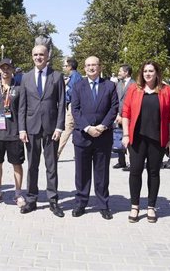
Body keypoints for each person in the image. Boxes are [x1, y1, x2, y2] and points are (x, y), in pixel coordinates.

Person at [121, 61, 170, 223]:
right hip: (137, 139)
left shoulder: (167, 91)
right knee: (135, 172)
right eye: (145, 71)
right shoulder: (134, 89)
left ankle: (151, 207)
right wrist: (125, 135)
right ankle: (135, 206)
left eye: (151, 71)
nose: (147, 74)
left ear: (157, 73)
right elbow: (126, 113)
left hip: (157, 139)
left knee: (154, 173)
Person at [18, 44, 66, 217]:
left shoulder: (57, 76)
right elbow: (22, 106)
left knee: (51, 166)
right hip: (31, 128)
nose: (38, 57)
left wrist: (60, 127)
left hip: (51, 128)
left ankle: (53, 201)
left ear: (47, 57)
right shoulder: (26, 77)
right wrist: (21, 129)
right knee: (32, 166)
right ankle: (31, 200)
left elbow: (62, 104)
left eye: (41, 54)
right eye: (35, 54)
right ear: (32, 56)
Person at [70, 56, 119, 220]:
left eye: (94, 65)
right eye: (88, 65)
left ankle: (103, 205)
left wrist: (103, 126)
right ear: (84, 68)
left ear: (100, 66)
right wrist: (88, 128)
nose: (91, 68)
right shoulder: (77, 86)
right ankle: (81, 203)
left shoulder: (110, 85)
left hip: (103, 136)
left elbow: (114, 108)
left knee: (102, 173)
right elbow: (75, 110)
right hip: (83, 135)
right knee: (82, 173)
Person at [0, 58, 26, 206]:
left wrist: (22, 130)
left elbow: (22, 110)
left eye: (8, 68)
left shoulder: (19, 87)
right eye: (2, 68)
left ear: (13, 69)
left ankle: (18, 194)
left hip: (14, 132)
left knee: (17, 163)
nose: (5, 71)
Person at [57, 57, 82, 158]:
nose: (65, 68)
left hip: (73, 104)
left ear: (70, 67)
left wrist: (64, 87)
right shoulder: (73, 76)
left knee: (67, 128)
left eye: (66, 66)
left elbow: (73, 92)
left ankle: (57, 153)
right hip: (71, 104)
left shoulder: (75, 77)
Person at [112, 64, 134, 170]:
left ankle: (131, 162)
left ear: (126, 72)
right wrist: (117, 114)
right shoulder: (119, 84)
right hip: (119, 116)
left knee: (129, 138)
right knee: (119, 137)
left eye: (120, 71)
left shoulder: (134, 84)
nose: (118, 73)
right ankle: (121, 161)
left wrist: (124, 115)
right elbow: (117, 99)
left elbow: (132, 102)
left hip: (129, 116)